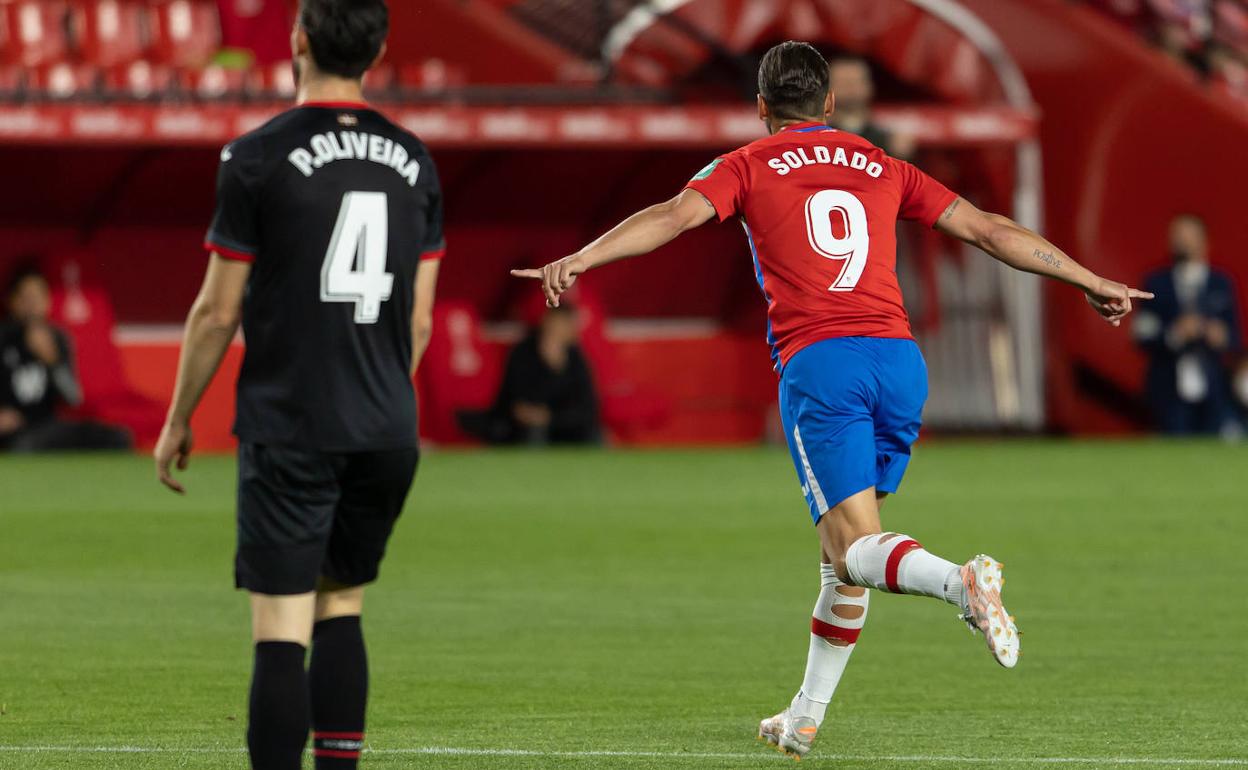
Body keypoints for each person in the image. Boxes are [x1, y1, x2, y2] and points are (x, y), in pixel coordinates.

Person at [512, 41, 1151, 759]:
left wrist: (582, 258)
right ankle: (804, 716)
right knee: (842, 552)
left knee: (855, 552)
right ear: (830, 104)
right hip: (899, 363)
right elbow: (989, 229)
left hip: (824, 364)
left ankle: (960, 582)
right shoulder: (882, 163)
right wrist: (1089, 278)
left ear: (761, 107)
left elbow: (671, 216)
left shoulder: (745, 165)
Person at [152, 1, 444, 768]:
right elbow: (418, 323)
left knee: (282, 627)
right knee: (340, 604)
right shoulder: (415, 159)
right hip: (386, 427)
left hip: (292, 424)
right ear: (379, 49)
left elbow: (217, 312)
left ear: (299, 39)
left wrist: (179, 417)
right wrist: (378, 398)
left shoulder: (256, 156)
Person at [0, 264, 131, 452]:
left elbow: (73, 398)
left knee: (118, 437)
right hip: (15, 430)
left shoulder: (58, 337)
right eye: (26, 297)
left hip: (47, 425)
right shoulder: (3, 338)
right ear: (12, 301)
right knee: (23, 446)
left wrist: (53, 361)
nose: (33, 305)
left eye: (38, 297)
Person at [1132, 214, 1241, 435]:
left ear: (1204, 240)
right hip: (1168, 388)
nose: (1182, 241)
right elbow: (1142, 334)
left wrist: (1220, 336)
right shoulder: (1156, 283)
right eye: (1177, 235)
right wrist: (1176, 333)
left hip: (1213, 387)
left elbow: (1235, 336)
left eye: (1188, 235)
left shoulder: (1221, 283)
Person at [460, 303, 601, 445]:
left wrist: (552, 417)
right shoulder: (522, 353)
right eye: (559, 324)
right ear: (546, 323)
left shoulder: (576, 358)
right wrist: (535, 413)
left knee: (593, 435)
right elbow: (516, 401)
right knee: (534, 433)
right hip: (523, 426)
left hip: (563, 423)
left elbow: (586, 404)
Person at [826, 57, 914, 160]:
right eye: (842, 83)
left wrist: (900, 155)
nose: (850, 88)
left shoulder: (890, 141)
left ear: (869, 87)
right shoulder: (818, 138)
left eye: (855, 82)